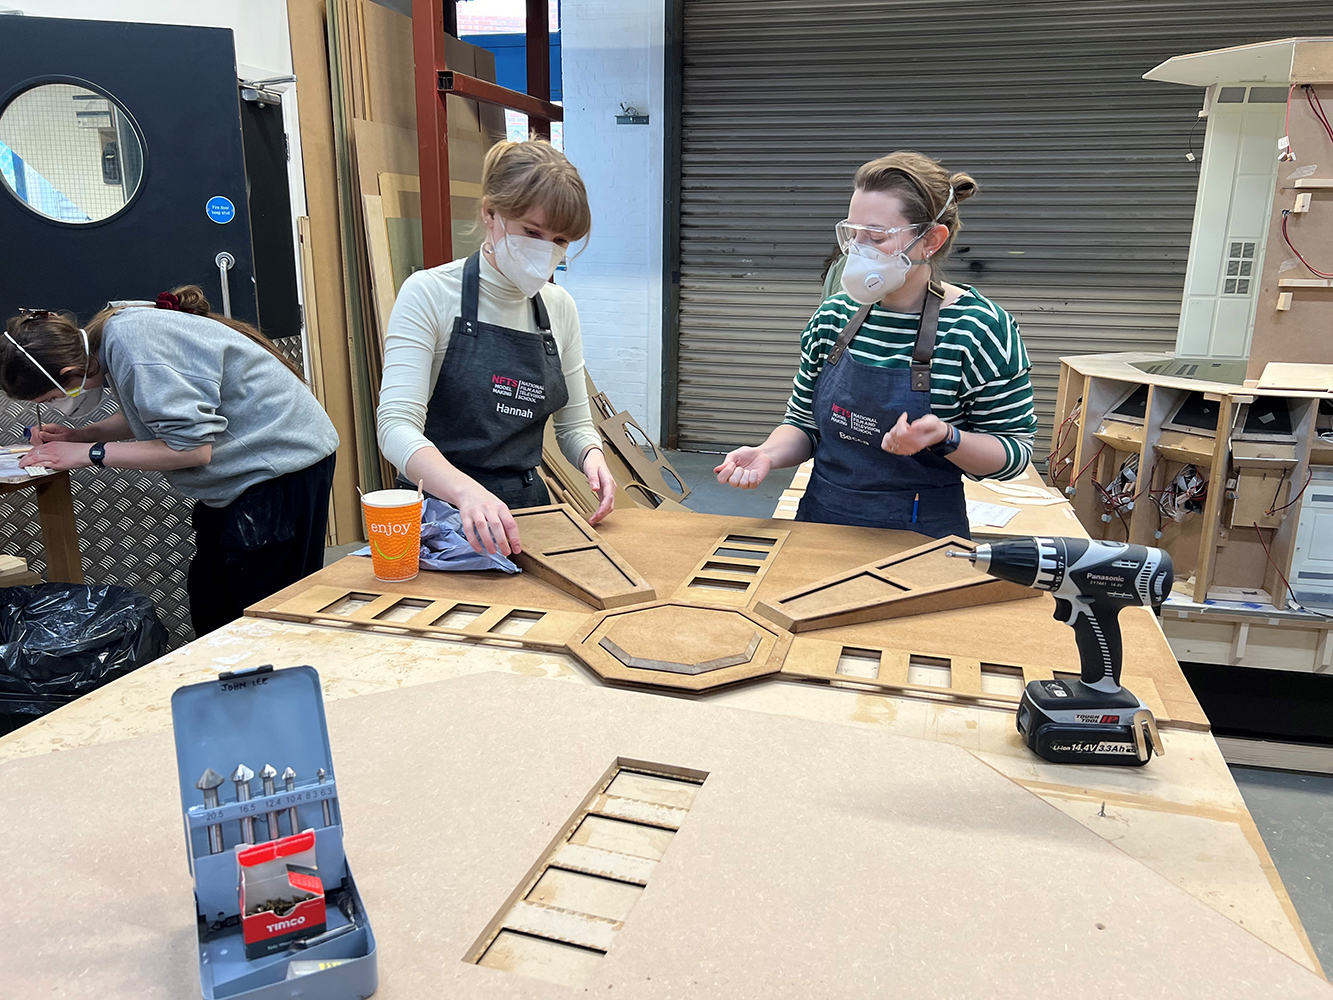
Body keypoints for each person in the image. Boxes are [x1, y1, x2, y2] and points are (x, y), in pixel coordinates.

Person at [714, 151, 1038, 539]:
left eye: (877, 237)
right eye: (853, 234)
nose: (857, 249)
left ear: (930, 240)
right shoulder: (834, 316)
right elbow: (803, 424)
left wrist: (946, 437)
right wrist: (766, 454)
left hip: (920, 539)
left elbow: (1013, 454)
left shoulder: (979, 328)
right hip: (822, 524)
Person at [0, 287, 339, 635]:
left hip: (280, 466)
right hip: (249, 470)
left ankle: (279, 682)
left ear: (69, 371)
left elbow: (191, 449)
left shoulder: (134, 347)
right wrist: (79, 436)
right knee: (212, 603)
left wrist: (90, 454)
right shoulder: (111, 336)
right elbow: (153, 415)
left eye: (53, 397)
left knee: (263, 612)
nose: (57, 405)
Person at [376, 139, 614, 558]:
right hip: (440, 511)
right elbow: (395, 426)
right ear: (491, 214)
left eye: (559, 240)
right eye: (532, 232)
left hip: (527, 513)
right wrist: (466, 492)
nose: (546, 250)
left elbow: (574, 426)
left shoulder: (558, 308)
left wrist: (593, 456)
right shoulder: (430, 294)